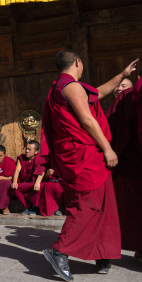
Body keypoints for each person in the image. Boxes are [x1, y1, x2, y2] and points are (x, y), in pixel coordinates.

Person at [41, 50, 137, 280]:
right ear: (78, 62)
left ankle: (102, 253)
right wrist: (107, 148)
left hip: (83, 155)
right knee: (87, 204)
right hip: (85, 156)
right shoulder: (71, 87)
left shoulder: (67, 86)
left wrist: (121, 74)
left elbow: (100, 92)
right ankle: (59, 251)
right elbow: (86, 119)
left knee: (104, 206)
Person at [106, 73, 142, 261]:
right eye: (118, 86)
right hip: (133, 165)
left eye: (125, 86)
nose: (121, 89)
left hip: (130, 165)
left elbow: (110, 131)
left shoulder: (126, 100)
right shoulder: (126, 100)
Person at [11, 140, 46, 215]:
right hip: (25, 183)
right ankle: (28, 207)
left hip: (33, 183)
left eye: (29, 149)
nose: (26, 151)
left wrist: (37, 182)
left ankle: (33, 207)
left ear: (36, 151)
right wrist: (14, 181)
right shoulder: (22, 158)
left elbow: (41, 171)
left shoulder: (40, 158)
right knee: (13, 188)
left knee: (41, 185)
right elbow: (17, 170)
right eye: (26, 149)